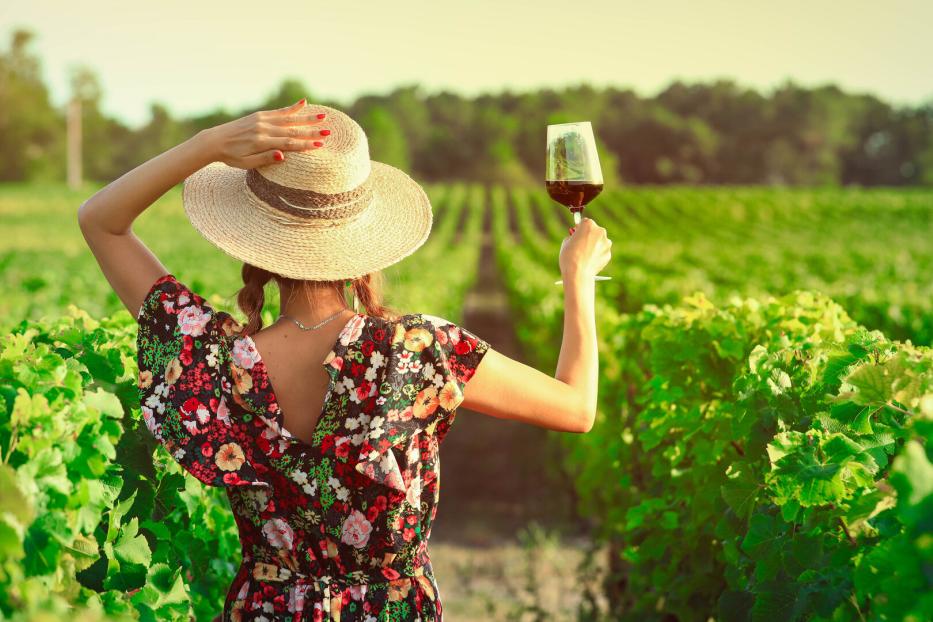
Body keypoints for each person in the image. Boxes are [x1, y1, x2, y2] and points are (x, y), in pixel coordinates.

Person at [77, 100, 611, 621]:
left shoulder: (213, 359)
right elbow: (576, 408)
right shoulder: (419, 350)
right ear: (364, 243)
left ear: (254, 245)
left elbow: (100, 220)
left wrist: (209, 144)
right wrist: (577, 278)